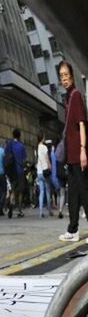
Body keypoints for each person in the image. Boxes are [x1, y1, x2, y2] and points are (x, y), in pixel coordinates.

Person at [59, 61, 87, 241]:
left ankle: (73, 229)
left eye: (66, 75)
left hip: (78, 153)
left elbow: (82, 124)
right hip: (71, 155)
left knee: (84, 192)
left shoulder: (75, 95)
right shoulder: (68, 97)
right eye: (61, 76)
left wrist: (83, 149)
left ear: (72, 75)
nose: (64, 79)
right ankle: (73, 230)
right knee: (73, 194)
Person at [5, 128, 27, 218]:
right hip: (20, 170)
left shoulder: (9, 145)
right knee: (20, 191)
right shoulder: (21, 146)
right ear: (19, 136)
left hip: (11, 171)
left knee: (13, 190)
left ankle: (11, 203)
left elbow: (5, 156)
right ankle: (20, 210)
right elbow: (24, 158)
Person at [36, 132, 53, 218]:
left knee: (41, 192)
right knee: (48, 191)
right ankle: (49, 210)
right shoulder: (44, 147)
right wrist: (50, 166)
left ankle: (41, 211)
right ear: (42, 137)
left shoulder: (37, 147)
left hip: (39, 172)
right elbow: (47, 159)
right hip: (45, 171)